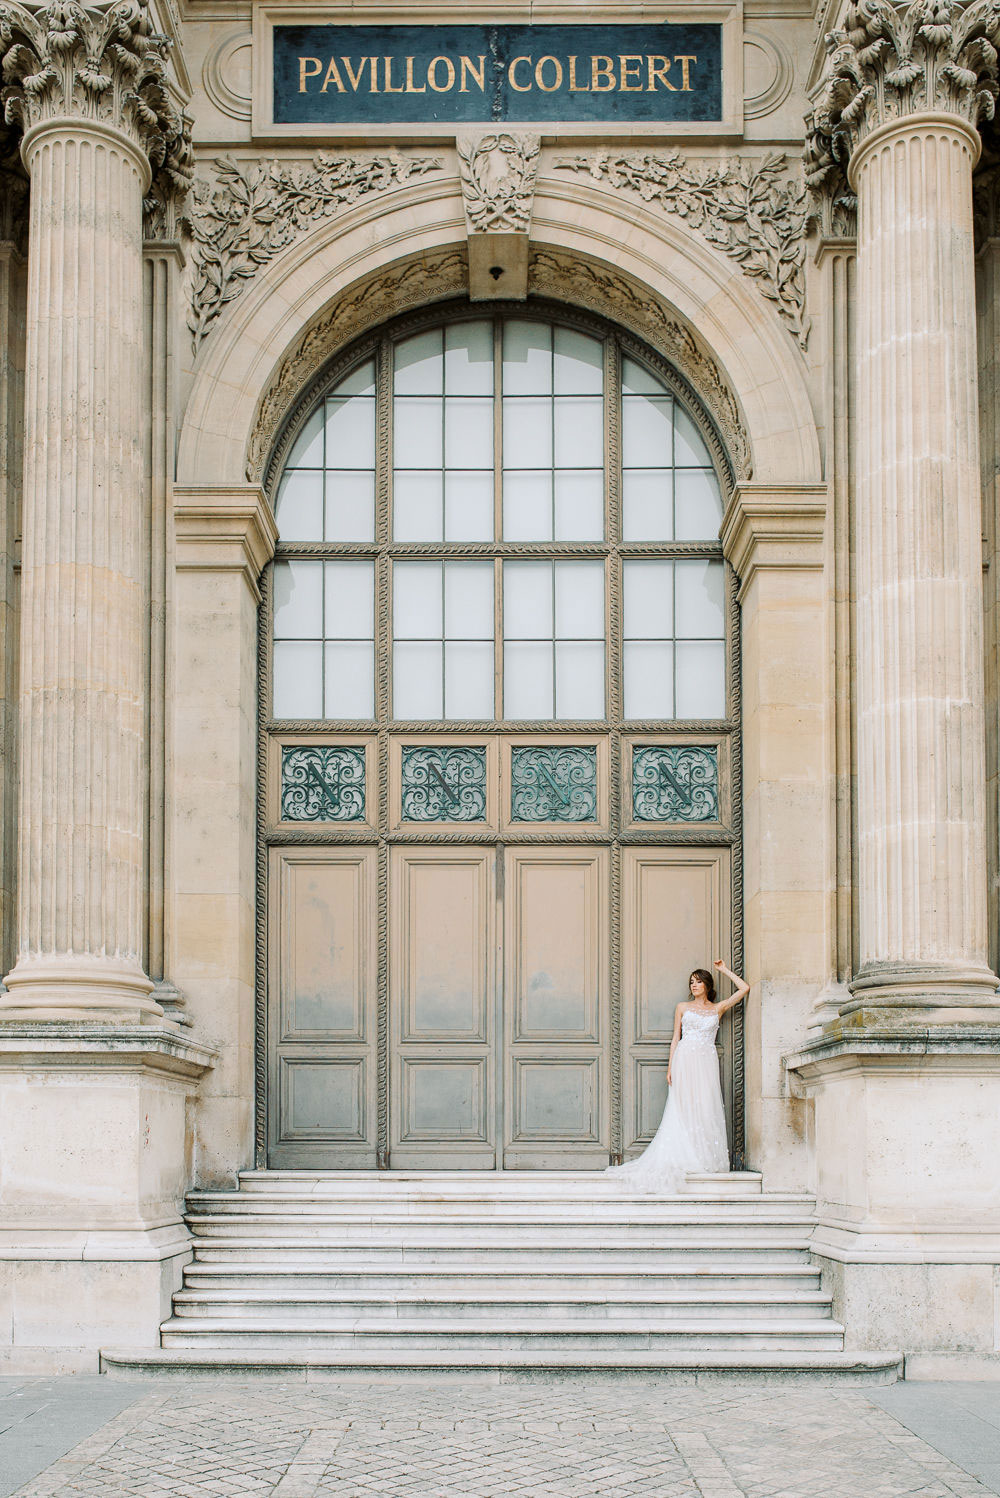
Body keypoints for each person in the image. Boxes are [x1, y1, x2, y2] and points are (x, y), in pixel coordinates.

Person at [605, 959, 750, 1193]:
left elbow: (744, 989)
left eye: (699, 981)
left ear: (707, 984)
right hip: (685, 1059)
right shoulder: (682, 1007)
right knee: (682, 1107)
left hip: (705, 1061)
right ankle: (684, 1154)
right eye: (692, 982)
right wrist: (670, 1067)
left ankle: (702, 1157)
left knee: (704, 1105)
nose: (694, 985)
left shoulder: (717, 1008)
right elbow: (676, 1037)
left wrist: (724, 970)